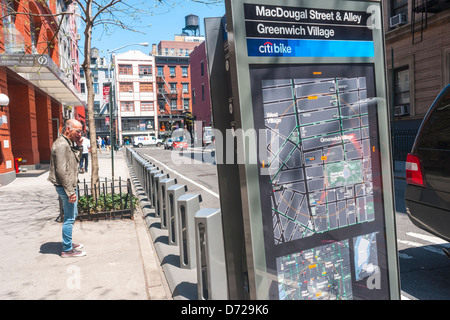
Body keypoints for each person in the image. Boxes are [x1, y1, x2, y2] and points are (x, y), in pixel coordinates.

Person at [48, 119, 87, 258]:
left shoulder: (67, 143)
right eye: (77, 131)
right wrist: (70, 192)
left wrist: (78, 146)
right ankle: (67, 249)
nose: (80, 133)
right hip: (66, 187)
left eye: (81, 131)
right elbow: (61, 171)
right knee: (69, 218)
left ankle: (68, 243)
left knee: (73, 214)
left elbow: (75, 161)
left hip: (69, 185)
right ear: (68, 130)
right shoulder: (61, 145)